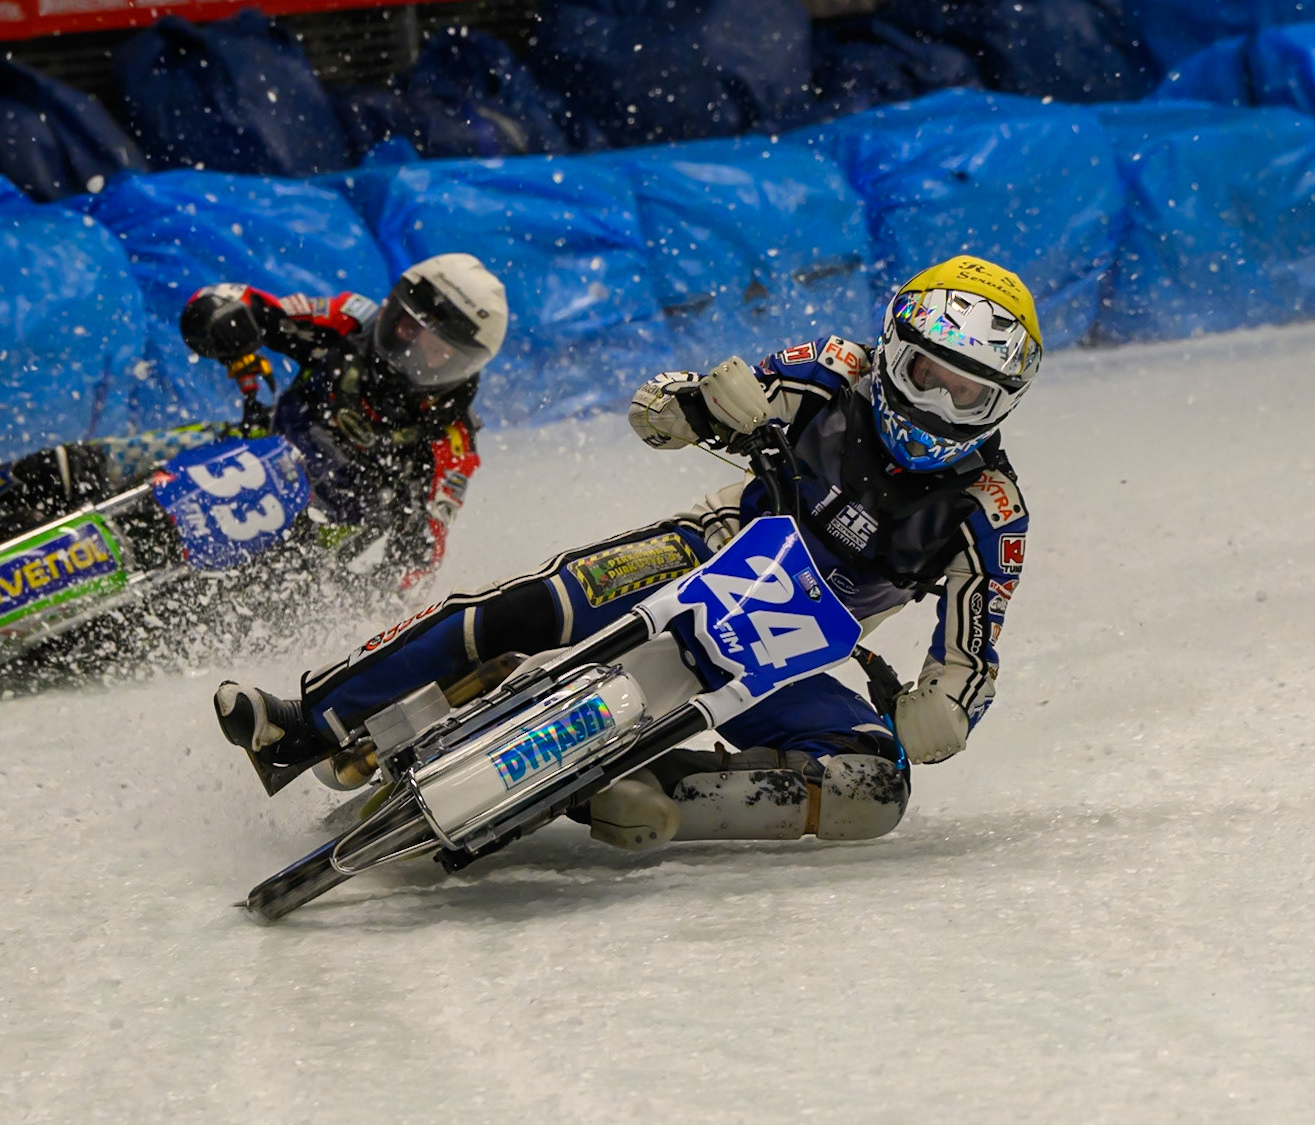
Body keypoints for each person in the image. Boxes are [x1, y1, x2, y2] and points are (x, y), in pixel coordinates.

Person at [215, 255, 1038, 850]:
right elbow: (686, 404)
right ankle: (306, 722)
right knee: (533, 604)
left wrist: (946, 707)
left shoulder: (989, 510)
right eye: (929, 373)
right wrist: (690, 404)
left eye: (967, 392)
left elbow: (971, 648)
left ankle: (650, 785)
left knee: (877, 787)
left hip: (786, 653)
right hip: (704, 551)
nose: (937, 402)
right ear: (895, 349)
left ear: (1002, 403)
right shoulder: (831, 370)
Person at [0, 253, 509, 593]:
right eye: (403, 322)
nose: (404, 344)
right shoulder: (348, 320)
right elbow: (241, 302)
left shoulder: (450, 445)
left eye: (431, 346)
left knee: (177, 578)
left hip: (305, 535)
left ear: (460, 363)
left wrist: (359, 591)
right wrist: (225, 317)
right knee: (70, 465)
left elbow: (422, 553)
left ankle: (58, 624)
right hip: (248, 449)